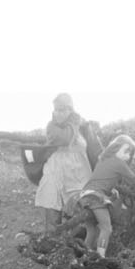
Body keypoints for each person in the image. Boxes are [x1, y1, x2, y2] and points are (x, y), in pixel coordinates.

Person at [73, 134, 135, 259]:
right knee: (106, 228)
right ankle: (101, 256)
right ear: (116, 147)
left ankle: (83, 257)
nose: (127, 156)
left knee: (92, 230)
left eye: (129, 154)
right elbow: (133, 178)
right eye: (126, 151)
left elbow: (102, 179)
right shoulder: (118, 163)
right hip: (95, 197)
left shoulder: (104, 159)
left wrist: (112, 189)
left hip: (85, 196)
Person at [34, 93, 93, 236]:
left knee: (81, 220)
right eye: (56, 110)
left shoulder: (83, 126)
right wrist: (74, 123)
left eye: (62, 110)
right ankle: (53, 250)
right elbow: (64, 138)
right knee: (52, 219)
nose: (58, 114)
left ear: (70, 109)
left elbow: (94, 148)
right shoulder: (52, 127)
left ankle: (77, 250)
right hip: (55, 174)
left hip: (78, 176)